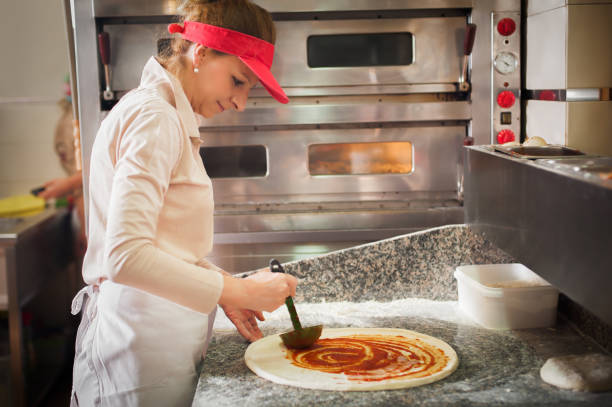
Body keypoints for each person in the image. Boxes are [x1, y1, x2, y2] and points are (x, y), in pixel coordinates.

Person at [70, 1, 297, 405]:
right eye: (238, 81)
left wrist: (228, 291)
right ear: (203, 52)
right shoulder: (154, 118)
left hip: (156, 347)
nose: (241, 102)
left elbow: (162, 244)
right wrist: (240, 293)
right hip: (137, 357)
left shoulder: (167, 115)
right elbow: (125, 257)